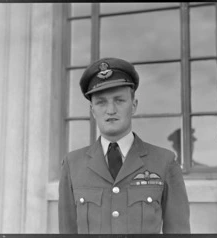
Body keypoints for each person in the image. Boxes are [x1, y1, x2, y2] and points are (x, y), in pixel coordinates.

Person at [58, 57, 190, 234]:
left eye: (119, 100)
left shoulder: (164, 162)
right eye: (101, 102)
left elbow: (178, 232)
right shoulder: (72, 165)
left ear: (133, 105)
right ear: (92, 110)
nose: (110, 110)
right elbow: (67, 232)